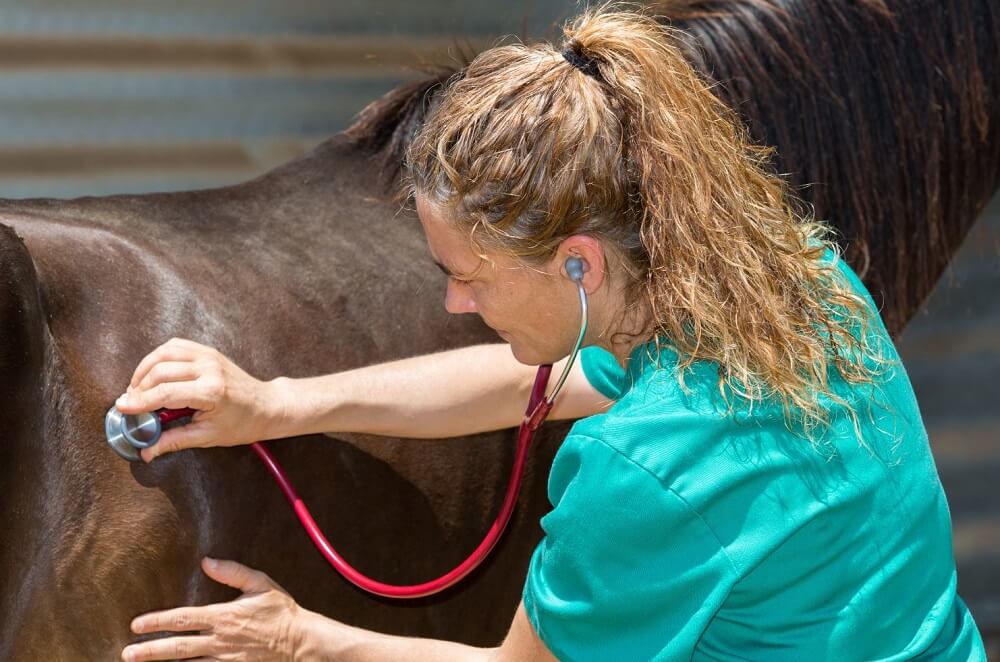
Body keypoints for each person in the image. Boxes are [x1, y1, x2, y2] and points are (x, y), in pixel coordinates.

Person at [116, 6, 986, 662]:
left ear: (579, 264)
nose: (456, 304)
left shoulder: (638, 468)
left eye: (468, 274)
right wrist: (277, 403)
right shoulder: (799, 278)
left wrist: (299, 638)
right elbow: (538, 381)